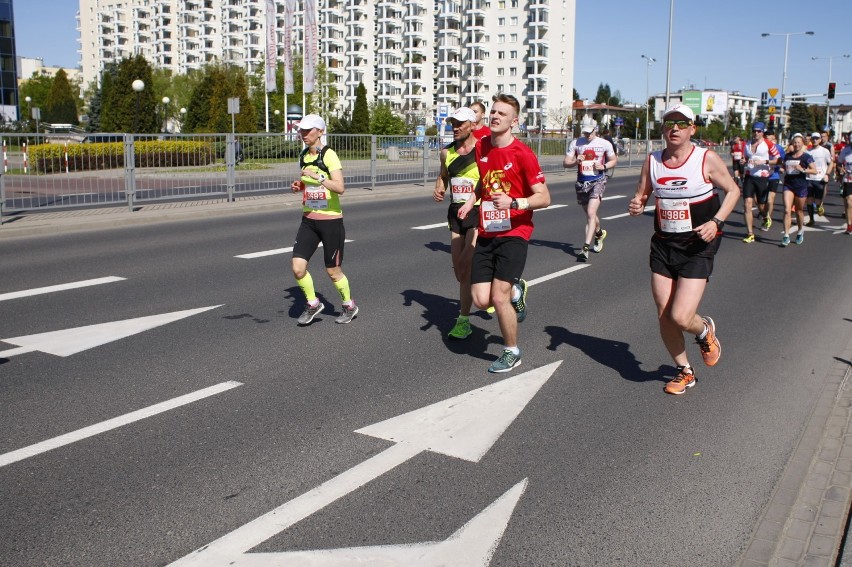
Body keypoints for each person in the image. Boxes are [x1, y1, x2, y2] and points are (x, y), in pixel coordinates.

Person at [627, 104, 740, 395]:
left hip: (697, 245)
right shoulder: (652, 160)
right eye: (669, 123)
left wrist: (717, 221)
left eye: (681, 123)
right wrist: (637, 203)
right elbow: (642, 193)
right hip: (664, 244)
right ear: (663, 129)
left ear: (692, 128)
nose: (674, 128)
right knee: (664, 314)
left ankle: (704, 331)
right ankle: (684, 371)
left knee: (680, 316)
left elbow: (733, 190)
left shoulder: (706, 158)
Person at [458, 93, 552, 373]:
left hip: (515, 231)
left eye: (502, 113)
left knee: (497, 297)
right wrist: (470, 200)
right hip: (488, 230)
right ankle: (516, 288)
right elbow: (484, 184)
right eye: (494, 112)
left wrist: (515, 202)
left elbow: (544, 197)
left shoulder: (523, 154)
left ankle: (512, 351)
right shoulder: (483, 146)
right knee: (480, 299)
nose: (495, 116)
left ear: (514, 121)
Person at [288, 114, 359, 325]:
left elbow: (340, 188)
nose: (303, 134)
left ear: (320, 132)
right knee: (297, 268)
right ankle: (312, 303)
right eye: (301, 130)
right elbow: (307, 183)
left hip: (330, 221)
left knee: (333, 271)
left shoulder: (329, 156)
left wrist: (319, 177)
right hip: (309, 219)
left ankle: (349, 306)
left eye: (308, 130)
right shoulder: (303, 155)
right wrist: (299, 186)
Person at [432, 107, 480, 339]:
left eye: (461, 123)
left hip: (478, 212)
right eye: (453, 123)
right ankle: (505, 290)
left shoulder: (482, 151)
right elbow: (443, 175)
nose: (456, 127)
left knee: (466, 263)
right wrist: (439, 186)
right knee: (460, 273)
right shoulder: (446, 153)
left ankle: (463, 319)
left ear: (472, 125)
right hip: (455, 214)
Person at [563, 121, 617, 261]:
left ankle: (585, 248)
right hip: (581, 183)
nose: (587, 135)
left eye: (590, 132)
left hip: (598, 180)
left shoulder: (604, 143)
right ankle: (599, 234)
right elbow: (565, 163)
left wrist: (603, 166)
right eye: (585, 132)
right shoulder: (576, 143)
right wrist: (576, 161)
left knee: (591, 213)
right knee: (590, 214)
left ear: (596, 130)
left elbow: (613, 160)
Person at [740, 122, 780, 242]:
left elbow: (778, 160)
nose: (756, 133)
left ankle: (765, 216)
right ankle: (750, 233)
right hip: (749, 176)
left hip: (762, 177)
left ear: (763, 132)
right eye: (754, 131)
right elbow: (745, 157)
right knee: (747, 203)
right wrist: (743, 160)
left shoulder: (768, 144)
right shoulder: (746, 144)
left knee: (761, 205)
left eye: (759, 131)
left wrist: (765, 162)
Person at [780, 133, 818, 246]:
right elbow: (783, 166)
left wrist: (803, 170)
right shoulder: (788, 156)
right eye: (795, 142)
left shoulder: (806, 157)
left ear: (802, 144)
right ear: (792, 143)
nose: (796, 144)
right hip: (788, 184)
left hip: (801, 186)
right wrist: (782, 169)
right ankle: (786, 235)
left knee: (799, 211)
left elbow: (814, 171)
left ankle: (800, 231)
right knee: (787, 210)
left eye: (798, 143)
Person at [805, 132, 834, 225]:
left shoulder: (825, 151)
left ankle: (819, 205)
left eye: (817, 138)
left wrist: (827, 174)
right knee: (809, 199)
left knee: (817, 200)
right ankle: (811, 219)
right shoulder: (807, 152)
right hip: (809, 178)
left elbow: (831, 163)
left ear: (820, 140)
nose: (815, 140)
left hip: (820, 178)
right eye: (813, 138)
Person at [763, 132, 785, 231]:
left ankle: (768, 218)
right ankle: (764, 213)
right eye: (766, 136)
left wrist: (779, 167)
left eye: (769, 135)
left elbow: (783, 160)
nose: (767, 137)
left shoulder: (779, 148)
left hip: (773, 176)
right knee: (759, 200)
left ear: (774, 137)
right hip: (761, 176)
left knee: (770, 199)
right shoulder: (761, 147)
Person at [838, 140, 852, 234]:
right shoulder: (845, 151)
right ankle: (849, 226)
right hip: (848, 179)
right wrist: (841, 169)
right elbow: (839, 164)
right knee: (849, 202)